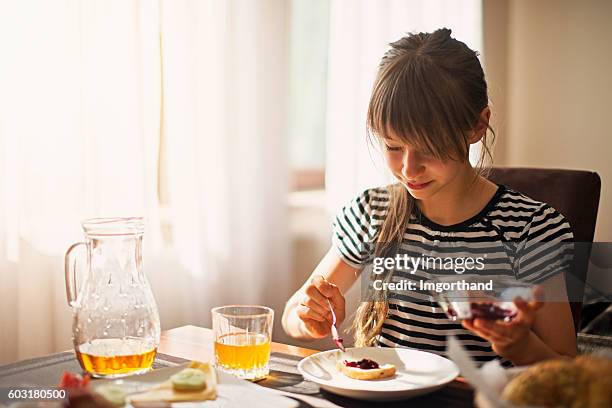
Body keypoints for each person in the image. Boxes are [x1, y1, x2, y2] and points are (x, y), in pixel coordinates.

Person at [282, 28, 577, 366]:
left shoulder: (530, 229)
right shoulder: (372, 213)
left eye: (429, 148)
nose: (409, 168)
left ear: (478, 126)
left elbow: (567, 366)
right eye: (393, 146)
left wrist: (519, 345)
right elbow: (291, 316)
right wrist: (308, 316)